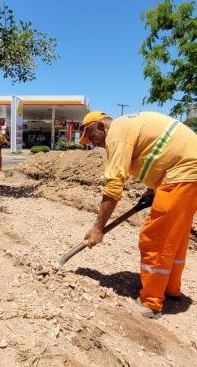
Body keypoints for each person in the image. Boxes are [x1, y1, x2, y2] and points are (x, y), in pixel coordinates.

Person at [79, 111, 197, 319]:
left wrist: (98, 227)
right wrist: (154, 188)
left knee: (155, 238)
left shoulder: (116, 134)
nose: (91, 142)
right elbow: (160, 153)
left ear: (100, 126)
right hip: (187, 172)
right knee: (175, 237)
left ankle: (151, 302)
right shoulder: (128, 126)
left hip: (183, 173)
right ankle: (171, 289)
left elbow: (114, 185)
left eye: (90, 135)